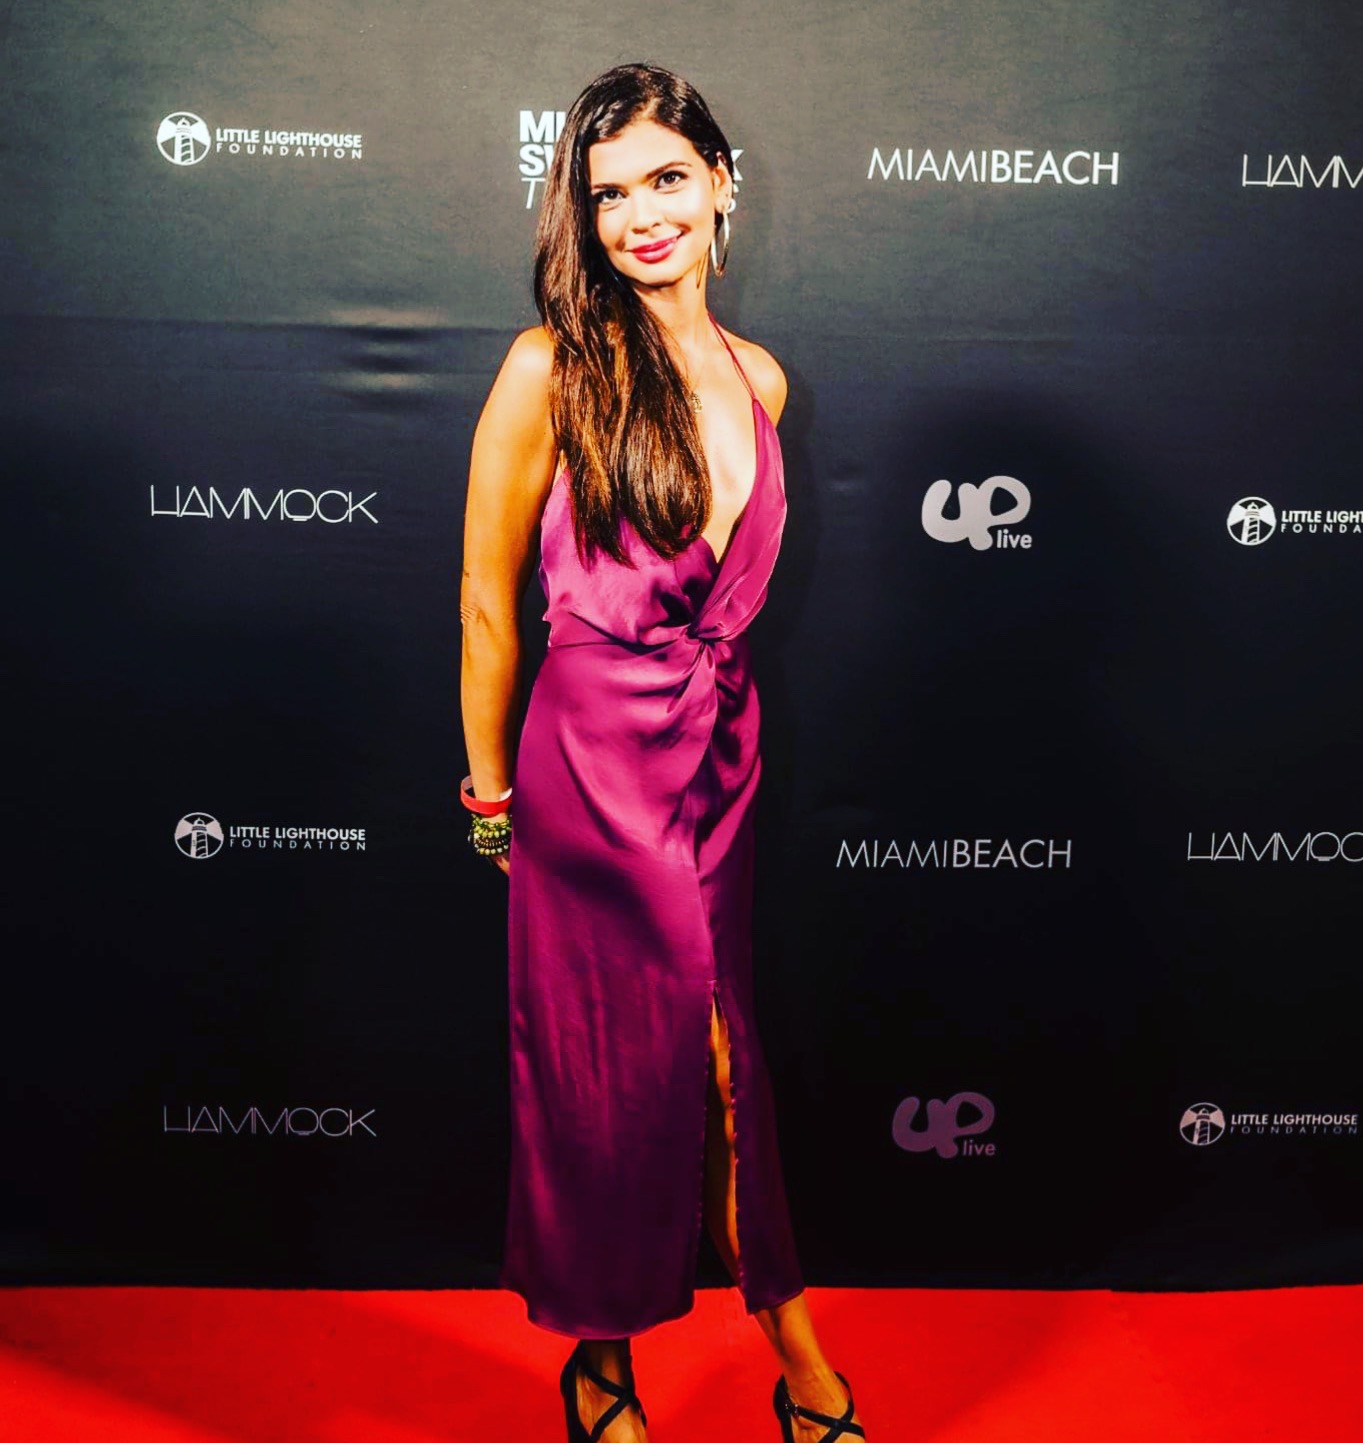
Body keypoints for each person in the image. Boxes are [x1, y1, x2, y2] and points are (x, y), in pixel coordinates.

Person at [459, 63, 867, 1443]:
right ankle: (770, 1365)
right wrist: (490, 798)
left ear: (721, 182)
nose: (642, 216)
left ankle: (622, 1360)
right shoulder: (550, 368)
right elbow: (486, 600)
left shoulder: (763, 379)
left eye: (668, 180)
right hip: (589, 766)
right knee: (618, 1064)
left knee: (713, 1058)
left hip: (720, 757)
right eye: (610, 194)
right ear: (582, 214)